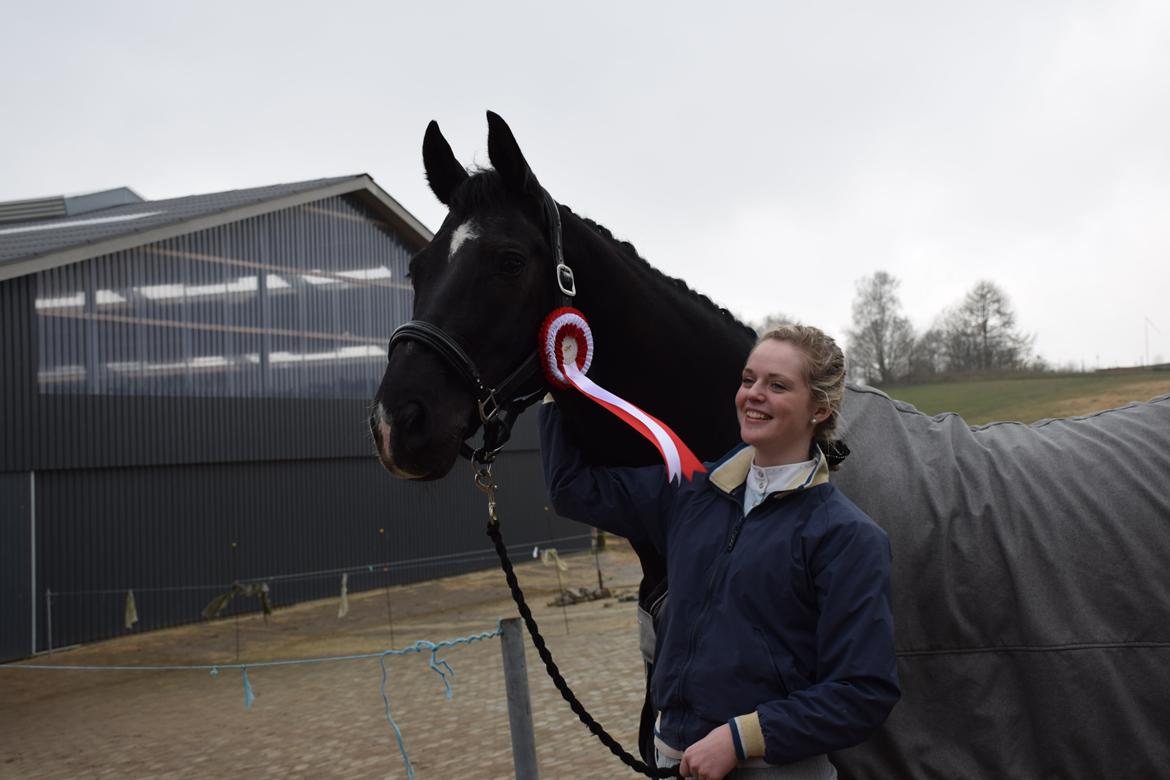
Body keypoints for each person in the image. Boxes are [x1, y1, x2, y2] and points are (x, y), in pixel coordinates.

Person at [539, 324, 899, 780]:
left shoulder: (847, 537)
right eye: (748, 380)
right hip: (674, 762)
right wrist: (556, 386)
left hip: (772, 770)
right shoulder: (690, 492)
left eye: (777, 385)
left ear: (820, 409)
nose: (754, 395)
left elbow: (863, 691)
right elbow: (572, 489)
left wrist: (738, 738)